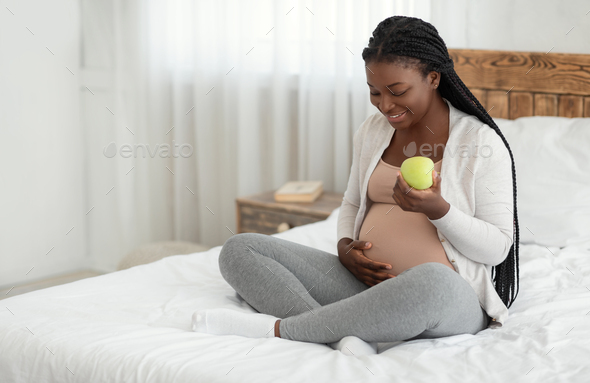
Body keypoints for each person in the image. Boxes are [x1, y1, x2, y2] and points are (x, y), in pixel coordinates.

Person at [192, 15, 520, 357]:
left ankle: (280, 330)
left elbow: (497, 249)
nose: (385, 105)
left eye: (398, 91)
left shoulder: (481, 142)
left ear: (433, 78)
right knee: (239, 249)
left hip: (445, 298)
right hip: (362, 286)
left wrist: (439, 210)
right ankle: (342, 335)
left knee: (431, 281)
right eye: (374, 92)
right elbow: (351, 203)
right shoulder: (372, 131)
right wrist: (345, 246)